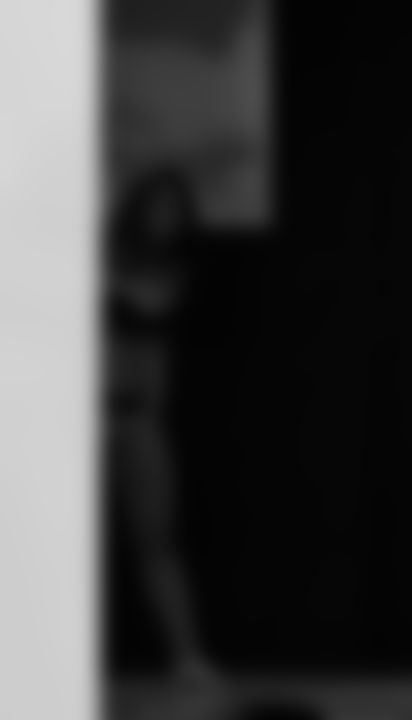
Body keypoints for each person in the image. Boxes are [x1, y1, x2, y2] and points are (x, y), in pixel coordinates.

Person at [103, 168, 218, 684]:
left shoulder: (180, 274)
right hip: (78, 417)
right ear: (137, 208)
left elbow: (160, 349)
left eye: (175, 209)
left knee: (157, 537)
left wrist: (153, 415)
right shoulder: (96, 258)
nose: (165, 218)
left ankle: (187, 655)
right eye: (156, 206)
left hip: (139, 418)